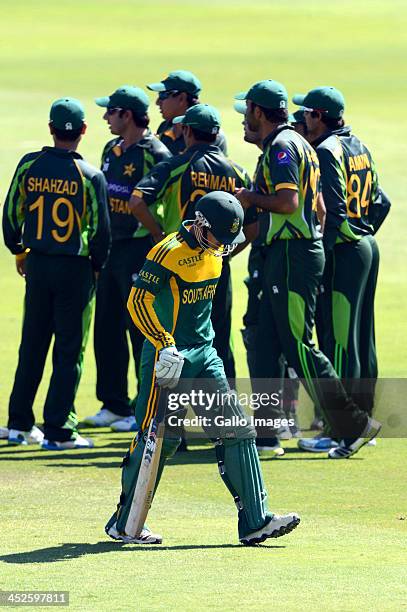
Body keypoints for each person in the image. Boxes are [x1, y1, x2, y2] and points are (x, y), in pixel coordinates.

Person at [105, 191, 300, 545]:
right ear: (200, 224)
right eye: (218, 238)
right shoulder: (167, 252)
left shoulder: (216, 252)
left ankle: (256, 522)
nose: (223, 248)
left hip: (205, 355)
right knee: (157, 438)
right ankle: (124, 523)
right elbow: (138, 301)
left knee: (237, 430)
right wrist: (163, 342)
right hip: (167, 358)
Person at [234, 79, 380, 458]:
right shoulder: (297, 144)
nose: (244, 118)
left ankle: (352, 424)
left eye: (248, 109)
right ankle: (266, 436)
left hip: (292, 256)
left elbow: (288, 202)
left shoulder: (283, 146)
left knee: (299, 345)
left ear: (259, 111)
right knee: (265, 341)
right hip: (287, 253)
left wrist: (249, 198)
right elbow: (319, 209)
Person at [2, 98, 111, 449]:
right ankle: (59, 431)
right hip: (74, 269)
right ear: (83, 131)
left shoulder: (30, 164)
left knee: (32, 346)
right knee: (69, 350)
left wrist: (21, 251)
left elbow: (10, 216)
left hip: (37, 265)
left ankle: (19, 425)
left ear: (51, 128)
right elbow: (101, 233)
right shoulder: (90, 175)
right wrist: (95, 268)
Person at [128, 103, 257, 385]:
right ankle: (223, 405)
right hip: (215, 266)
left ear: (186, 131)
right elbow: (253, 227)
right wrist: (224, 254)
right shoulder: (238, 172)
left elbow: (136, 201)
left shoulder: (174, 165)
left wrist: (160, 236)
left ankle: (166, 411)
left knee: (170, 339)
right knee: (216, 339)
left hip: (175, 268)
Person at [292, 87, 390, 453]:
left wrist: (323, 255)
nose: (301, 120)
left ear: (318, 116)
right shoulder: (359, 145)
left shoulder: (325, 150)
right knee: (363, 337)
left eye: (305, 114)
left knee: (338, 341)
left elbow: (331, 213)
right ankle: (363, 416)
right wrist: (363, 232)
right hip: (366, 248)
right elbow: (382, 201)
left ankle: (343, 430)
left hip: (343, 253)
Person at [83, 86, 171, 432]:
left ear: (128, 116)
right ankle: (113, 404)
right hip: (110, 248)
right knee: (106, 327)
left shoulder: (155, 153)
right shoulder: (111, 149)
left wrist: (156, 236)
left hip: (138, 250)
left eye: (111, 112)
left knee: (141, 329)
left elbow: (159, 199)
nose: (105, 117)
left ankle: (143, 407)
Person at [147, 70, 227, 155]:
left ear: (181, 98)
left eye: (162, 95)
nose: (157, 102)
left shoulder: (208, 133)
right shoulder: (164, 127)